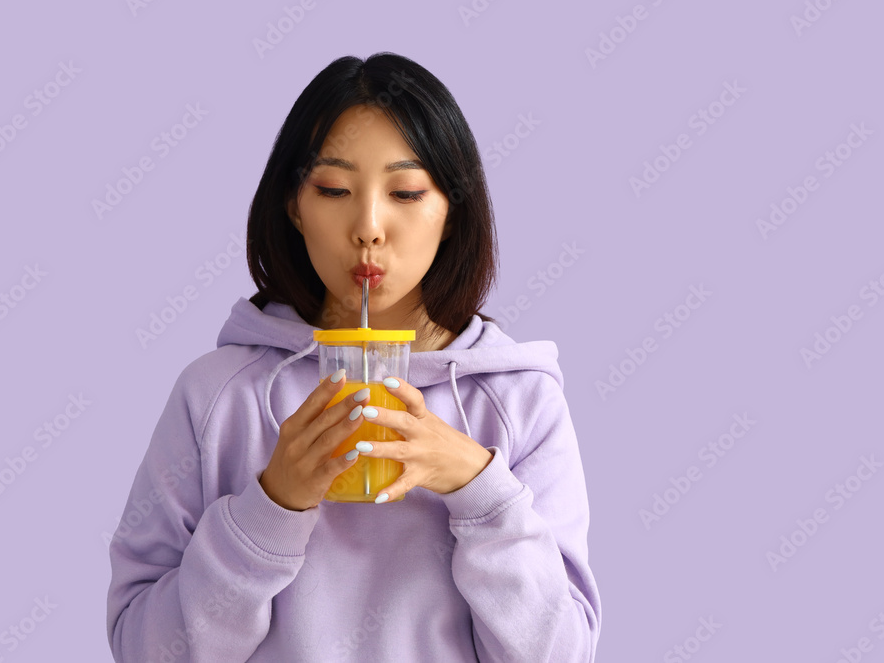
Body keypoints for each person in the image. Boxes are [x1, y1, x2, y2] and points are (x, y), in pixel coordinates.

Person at [106, 52, 601, 662]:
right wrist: (269, 511)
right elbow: (142, 649)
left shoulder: (521, 402)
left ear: (450, 213)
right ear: (293, 205)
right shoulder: (217, 397)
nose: (368, 226)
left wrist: (481, 490)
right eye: (334, 189)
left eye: (407, 191)